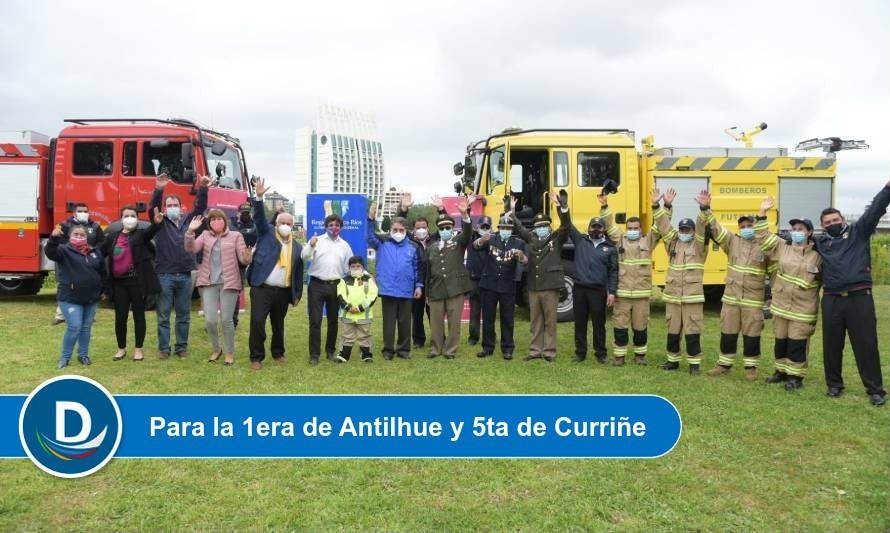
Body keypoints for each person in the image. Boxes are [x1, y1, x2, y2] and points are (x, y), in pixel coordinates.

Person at [814, 179, 890, 406]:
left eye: (835, 220)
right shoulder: (820, 243)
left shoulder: (859, 232)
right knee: (832, 344)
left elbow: (875, 210)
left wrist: (886, 190)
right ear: (823, 226)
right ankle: (834, 385)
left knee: (866, 343)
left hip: (859, 298)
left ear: (843, 220)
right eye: (827, 222)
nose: (832, 224)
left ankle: (875, 390)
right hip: (831, 299)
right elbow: (790, 240)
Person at [600, 188, 674, 365]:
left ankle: (640, 357)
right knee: (620, 327)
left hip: (641, 296)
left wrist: (667, 205)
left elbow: (662, 225)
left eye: (636, 228)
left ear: (641, 229)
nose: (633, 230)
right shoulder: (620, 240)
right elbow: (609, 225)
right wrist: (604, 206)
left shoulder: (648, 240)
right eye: (630, 228)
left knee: (641, 327)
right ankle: (619, 357)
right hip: (622, 295)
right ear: (626, 229)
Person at [755, 200, 822, 391]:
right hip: (781, 305)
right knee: (781, 340)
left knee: (797, 342)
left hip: (803, 309)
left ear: (809, 232)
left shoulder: (818, 254)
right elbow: (763, 237)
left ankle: (795, 376)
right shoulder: (783, 246)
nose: (796, 231)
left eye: (801, 228)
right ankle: (780, 372)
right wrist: (762, 213)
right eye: (794, 228)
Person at [704, 198, 774, 381]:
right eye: (742, 225)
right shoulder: (732, 242)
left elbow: (774, 272)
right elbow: (716, 229)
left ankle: (751, 368)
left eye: (749, 225)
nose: (745, 228)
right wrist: (706, 209)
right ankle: (724, 365)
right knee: (728, 332)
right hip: (731, 299)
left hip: (753, 300)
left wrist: (774, 296)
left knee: (752, 334)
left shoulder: (764, 245)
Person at [149, 173, 210, 359]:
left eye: (176, 205)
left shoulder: (188, 221)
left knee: (183, 314)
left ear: (181, 207)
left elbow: (200, 207)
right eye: (169, 206)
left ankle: (181, 347)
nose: (173, 208)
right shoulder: (160, 222)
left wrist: (203, 187)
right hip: (165, 274)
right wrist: (159, 189)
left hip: (185, 274)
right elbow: (153, 207)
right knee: (164, 315)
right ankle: (164, 349)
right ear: (165, 208)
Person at [247, 178, 304, 370]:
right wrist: (259, 197)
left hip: (283, 292)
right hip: (262, 288)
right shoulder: (267, 234)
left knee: (278, 325)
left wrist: (297, 295)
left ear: (292, 226)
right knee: (257, 323)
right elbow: (259, 218)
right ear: (277, 223)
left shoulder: (297, 246)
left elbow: (298, 272)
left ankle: (278, 352)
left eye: (289, 223)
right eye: (283, 222)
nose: (286, 225)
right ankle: (256, 357)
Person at [185, 208, 252, 366]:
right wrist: (189, 231)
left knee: (227, 319)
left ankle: (229, 352)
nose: (216, 222)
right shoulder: (205, 235)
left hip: (229, 283)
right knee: (210, 320)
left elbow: (243, 259)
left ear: (225, 220)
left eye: (218, 219)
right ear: (209, 223)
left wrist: (247, 257)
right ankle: (216, 349)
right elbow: (191, 248)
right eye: (213, 220)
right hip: (208, 282)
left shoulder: (236, 236)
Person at [509, 193, 569, 362]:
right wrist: (512, 211)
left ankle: (549, 351)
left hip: (550, 287)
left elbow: (565, 226)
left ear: (549, 227)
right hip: (534, 287)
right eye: (539, 226)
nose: (542, 228)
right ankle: (535, 350)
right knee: (535, 321)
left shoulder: (556, 239)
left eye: (544, 225)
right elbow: (519, 228)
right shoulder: (532, 238)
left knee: (550, 321)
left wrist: (561, 207)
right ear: (535, 228)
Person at [659, 190, 712, 375]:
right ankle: (672, 361)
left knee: (692, 333)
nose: (683, 233)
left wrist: (703, 208)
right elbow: (664, 227)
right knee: (673, 331)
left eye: (687, 230)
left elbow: (702, 226)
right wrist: (665, 206)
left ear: (693, 232)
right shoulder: (673, 244)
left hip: (692, 299)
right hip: (674, 298)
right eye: (681, 230)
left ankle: (694, 365)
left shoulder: (699, 247)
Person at [100, 206, 163, 362]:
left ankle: (138, 350)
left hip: (137, 283)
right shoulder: (112, 237)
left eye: (133, 215)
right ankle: (121, 349)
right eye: (126, 215)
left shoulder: (141, 235)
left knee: (138, 316)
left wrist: (156, 224)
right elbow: (98, 253)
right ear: (121, 219)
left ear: (137, 218)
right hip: (119, 284)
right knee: (120, 317)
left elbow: (152, 231)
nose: (129, 218)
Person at [45, 224, 106, 368]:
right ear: (70, 236)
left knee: (86, 327)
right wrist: (53, 238)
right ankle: (64, 358)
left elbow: (103, 272)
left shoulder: (95, 252)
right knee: (74, 326)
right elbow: (50, 252)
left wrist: (104, 291)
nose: (79, 237)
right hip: (70, 297)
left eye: (82, 235)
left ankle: (83, 355)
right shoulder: (63, 250)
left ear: (87, 237)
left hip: (92, 298)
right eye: (76, 235)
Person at [563, 205, 618, 363]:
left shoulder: (610, 248)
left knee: (598, 324)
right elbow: (567, 224)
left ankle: (600, 354)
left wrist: (612, 292)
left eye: (599, 227)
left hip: (598, 291)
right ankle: (580, 352)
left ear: (603, 229)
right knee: (580, 323)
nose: (596, 229)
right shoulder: (580, 241)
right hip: (579, 289)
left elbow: (613, 272)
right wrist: (564, 208)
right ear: (588, 228)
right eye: (593, 226)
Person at [367, 208, 423, 360]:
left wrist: (418, 285)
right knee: (389, 323)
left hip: (406, 290)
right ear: (390, 230)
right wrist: (370, 219)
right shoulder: (382, 243)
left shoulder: (414, 247)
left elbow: (418, 268)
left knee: (405, 322)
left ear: (406, 231)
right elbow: (369, 236)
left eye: (401, 230)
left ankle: (404, 350)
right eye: (395, 229)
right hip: (388, 290)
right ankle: (388, 351)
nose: (398, 232)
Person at [301, 210, 353, 366]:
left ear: (341, 228)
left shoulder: (345, 246)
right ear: (325, 226)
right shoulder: (316, 240)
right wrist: (310, 245)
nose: (334, 227)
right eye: (330, 225)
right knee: (315, 320)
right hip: (316, 284)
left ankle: (330, 351)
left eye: (337, 225)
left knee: (333, 321)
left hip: (335, 286)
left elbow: (349, 268)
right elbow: (304, 257)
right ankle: (314, 354)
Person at [474, 215, 528, 360]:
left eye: (508, 228)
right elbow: (475, 246)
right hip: (489, 284)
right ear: (498, 229)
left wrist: (521, 256)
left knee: (507, 318)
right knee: (488, 317)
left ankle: (507, 348)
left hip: (508, 285)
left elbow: (525, 261)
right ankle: (487, 347)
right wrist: (480, 240)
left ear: (512, 230)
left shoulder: (518, 243)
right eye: (503, 228)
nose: (505, 230)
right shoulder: (491, 238)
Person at [425, 201, 472, 359]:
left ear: (452, 229)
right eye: (442, 228)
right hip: (436, 289)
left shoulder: (458, 242)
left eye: (448, 228)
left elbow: (467, 234)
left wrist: (465, 215)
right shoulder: (431, 247)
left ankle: (450, 349)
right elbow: (428, 272)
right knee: (436, 322)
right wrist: (427, 292)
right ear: (438, 230)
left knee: (454, 323)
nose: (445, 230)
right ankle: (436, 348)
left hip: (455, 289)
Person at [52, 203, 105, 325]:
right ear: (74, 212)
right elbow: (58, 241)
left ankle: (91, 315)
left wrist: (95, 252)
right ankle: (60, 315)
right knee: (64, 285)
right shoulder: (65, 225)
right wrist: (69, 250)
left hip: (88, 260)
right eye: (80, 210)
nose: (83, 213)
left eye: (85, 211)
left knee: (90, 285)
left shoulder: (95, 226)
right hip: (69, 260)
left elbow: (102, 241)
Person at [335, 256, 379, 363]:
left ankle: (366, 355)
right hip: (348, 314)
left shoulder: (368, 280)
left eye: (358, 266)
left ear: (363, 267)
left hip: (364, 315)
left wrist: (360, 308)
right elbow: (341, 295)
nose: (356, 268)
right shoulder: (344, 280)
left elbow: (372, 295)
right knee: (347, 335)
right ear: (349, 267)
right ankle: (344, 355)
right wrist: (349, 307)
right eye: (353, 266)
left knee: (364, 335)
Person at [231, 202, 258, 329]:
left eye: (247, 212)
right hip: (230, 261)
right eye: (243, 212)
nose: (245, 214)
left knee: (235, 292)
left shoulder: (255, 226)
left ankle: (233, 321)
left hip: (247, 261)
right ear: (238, 213)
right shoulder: (232, 224)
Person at [466, 216, 491, 347]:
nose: (485, 229)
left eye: (487, 227)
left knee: (489, 310)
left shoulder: (494, 239)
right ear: (477, 227)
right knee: (474, 310)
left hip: (489, 279)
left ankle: (490, 336)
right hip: (474, 279)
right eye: (483, 227)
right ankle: (473, 337)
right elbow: (466, 226)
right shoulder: (471, 236)